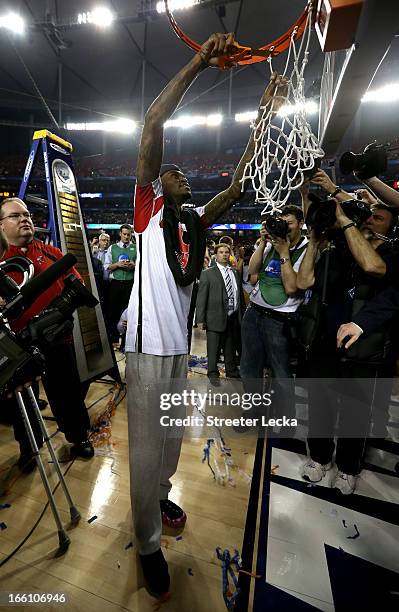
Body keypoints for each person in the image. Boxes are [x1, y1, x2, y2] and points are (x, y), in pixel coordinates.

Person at [124, 30, 288, 596]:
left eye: (182, 175)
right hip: (147, 348)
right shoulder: (147, 211)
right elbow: (153, 125)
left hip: (178, 351)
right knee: (145, 454)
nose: (181, 176)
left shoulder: (193, 222)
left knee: (167, 445)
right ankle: (145, 542)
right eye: (173, 173)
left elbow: (240, 185)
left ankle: (160, 495)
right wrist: (199, 60)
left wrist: (264, 118)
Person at [297, 196, 399, 494]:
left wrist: (345, 221)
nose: (369, 219)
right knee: (321, 405)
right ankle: (319, 457)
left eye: (379, 218)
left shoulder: (393, 254)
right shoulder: (339, 250)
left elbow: (374, 267)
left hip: (367, 347)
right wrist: (315, 241)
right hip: (327, 342)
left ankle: (349, 467)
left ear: (392, 226)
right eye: (368, 215)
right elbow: (305, 283)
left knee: (356, 412)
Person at [0, 197, 94, 465]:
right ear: (1, 225)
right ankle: (29, 448)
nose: (25, 219)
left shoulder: (52, 252)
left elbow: (78, 285)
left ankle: (78, 437)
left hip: (56, 339)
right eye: (15, 216)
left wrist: (62, 315)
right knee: (22, 403)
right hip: (18, 346)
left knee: (67, 393)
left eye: (27, 214)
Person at [240, 204, 308, 426]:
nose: (284, 227)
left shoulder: (307, 249)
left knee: (281, 374)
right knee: (249, 369)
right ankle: (252, 414)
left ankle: (284, 418)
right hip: (255, 311)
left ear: (300, 223)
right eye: (281, 222)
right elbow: (252, 271)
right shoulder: (272, 243)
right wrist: (262, 243)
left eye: (289, 223)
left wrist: (284, 252)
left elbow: (291, 288)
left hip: (280, 319)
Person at [196, 243, 243, 382]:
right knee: (213, 348)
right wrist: (200, 319)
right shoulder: (207, 273)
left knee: (230, 347)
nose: (224, 254)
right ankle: (212, 372)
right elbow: (201, 298)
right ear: (215, 255)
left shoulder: (234, 272)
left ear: (230, 254)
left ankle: (231, 371)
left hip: (233, 316)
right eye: (221, 252)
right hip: (214, 316)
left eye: (226, 252)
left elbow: (238, 295)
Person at [104, 224, 136, 345]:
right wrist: (117, 265)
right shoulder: (112, 248)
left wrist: (133, 266)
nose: (127, 236)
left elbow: (141, 267)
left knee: (129, 312)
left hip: (130, 284)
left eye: (129, 234)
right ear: (120, 234)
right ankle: (114, 339)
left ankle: (126, 342)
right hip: (115, 284)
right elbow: (107, 267)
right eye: (125, 234)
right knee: (113, 311)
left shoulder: (136, 248)